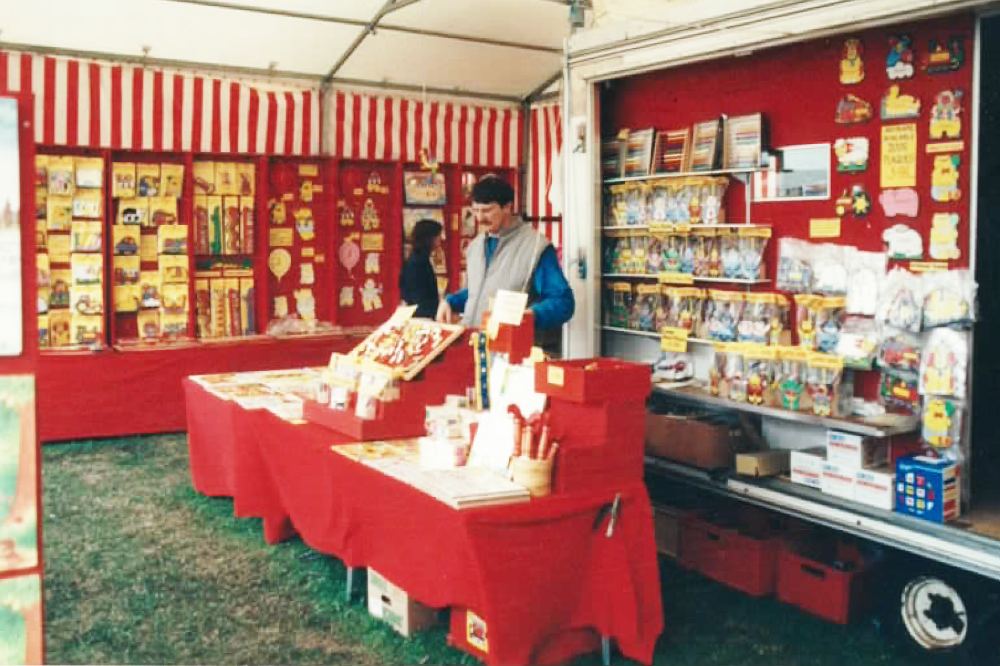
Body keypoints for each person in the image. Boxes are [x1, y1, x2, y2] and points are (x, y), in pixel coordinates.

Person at [436, 175, 574, 347]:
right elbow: (478, 291)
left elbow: (563, 302)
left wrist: (529, 315)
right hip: (473, 349)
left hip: (513, 355)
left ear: (508, 207)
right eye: (475, 210)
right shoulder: (475, 246)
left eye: (487, 210)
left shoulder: (536, 247)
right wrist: (450, 301)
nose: (480, 218)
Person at [400, 218, 443, 318]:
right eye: (438, 235)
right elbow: (420, 300)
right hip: (421, 318)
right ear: (429, 238)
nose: (441, 238)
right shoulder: (418, 263)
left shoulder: (418, 258)